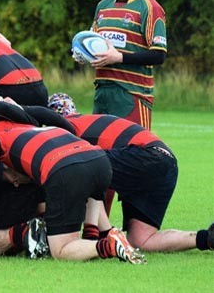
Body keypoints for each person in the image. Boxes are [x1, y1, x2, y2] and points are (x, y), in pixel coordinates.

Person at [0, 99, 145, 263]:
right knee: (88, 191)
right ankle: (103, 236)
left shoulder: (1, 140)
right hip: (100, 161)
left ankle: (108, 245)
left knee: (61, 250)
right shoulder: (46, 130)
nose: (11, 179)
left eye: (6, 172)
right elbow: (92, 194)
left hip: (65, 169)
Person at [48, 93, 214, 253]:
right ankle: (207, 238)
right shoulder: (87, 120)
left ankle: (104, 236)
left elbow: (90, 176)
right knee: (141, 240)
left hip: (146, 155)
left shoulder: (67, 129)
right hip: (167, 162)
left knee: (83, 170)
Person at [88, 0, 166, 129]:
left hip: (132, 95)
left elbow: (158, 55)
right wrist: (82, 54)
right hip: (102, 92)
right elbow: (92, 41)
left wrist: (119, 58)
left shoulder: (149, 7)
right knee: (99, 154)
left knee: (133, 154)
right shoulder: (103, 6)